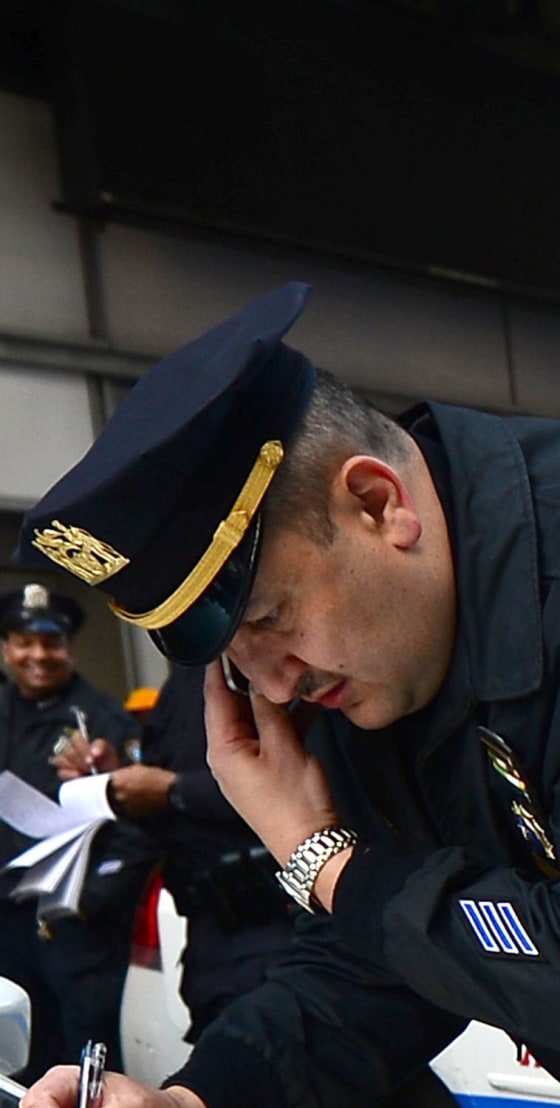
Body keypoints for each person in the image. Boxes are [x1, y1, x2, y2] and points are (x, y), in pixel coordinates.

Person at [16, 278, 555, 1107]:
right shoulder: (379, 666)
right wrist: (193, 1101)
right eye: (234, 658)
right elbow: (373, 968)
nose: (275, 684)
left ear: (378, 504)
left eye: (271, 616)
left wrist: (326, 859)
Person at [57, 665, 297, 1044]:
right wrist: (118, 781)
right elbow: (161, 801)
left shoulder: (266, 666)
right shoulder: (185, 681)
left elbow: (292, 786)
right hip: (210, 939)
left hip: (277, 930)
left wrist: (175, 790)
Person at [0, 583, 159, 1082]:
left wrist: (89, 901)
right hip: (9, 927)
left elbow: (141, 828)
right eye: (25, 641)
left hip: (76, 930)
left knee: (85, 1063)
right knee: (18, 1059)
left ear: (69, 647)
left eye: (52, 643)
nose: (39, 655)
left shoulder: (102, 720)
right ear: (6, 648)